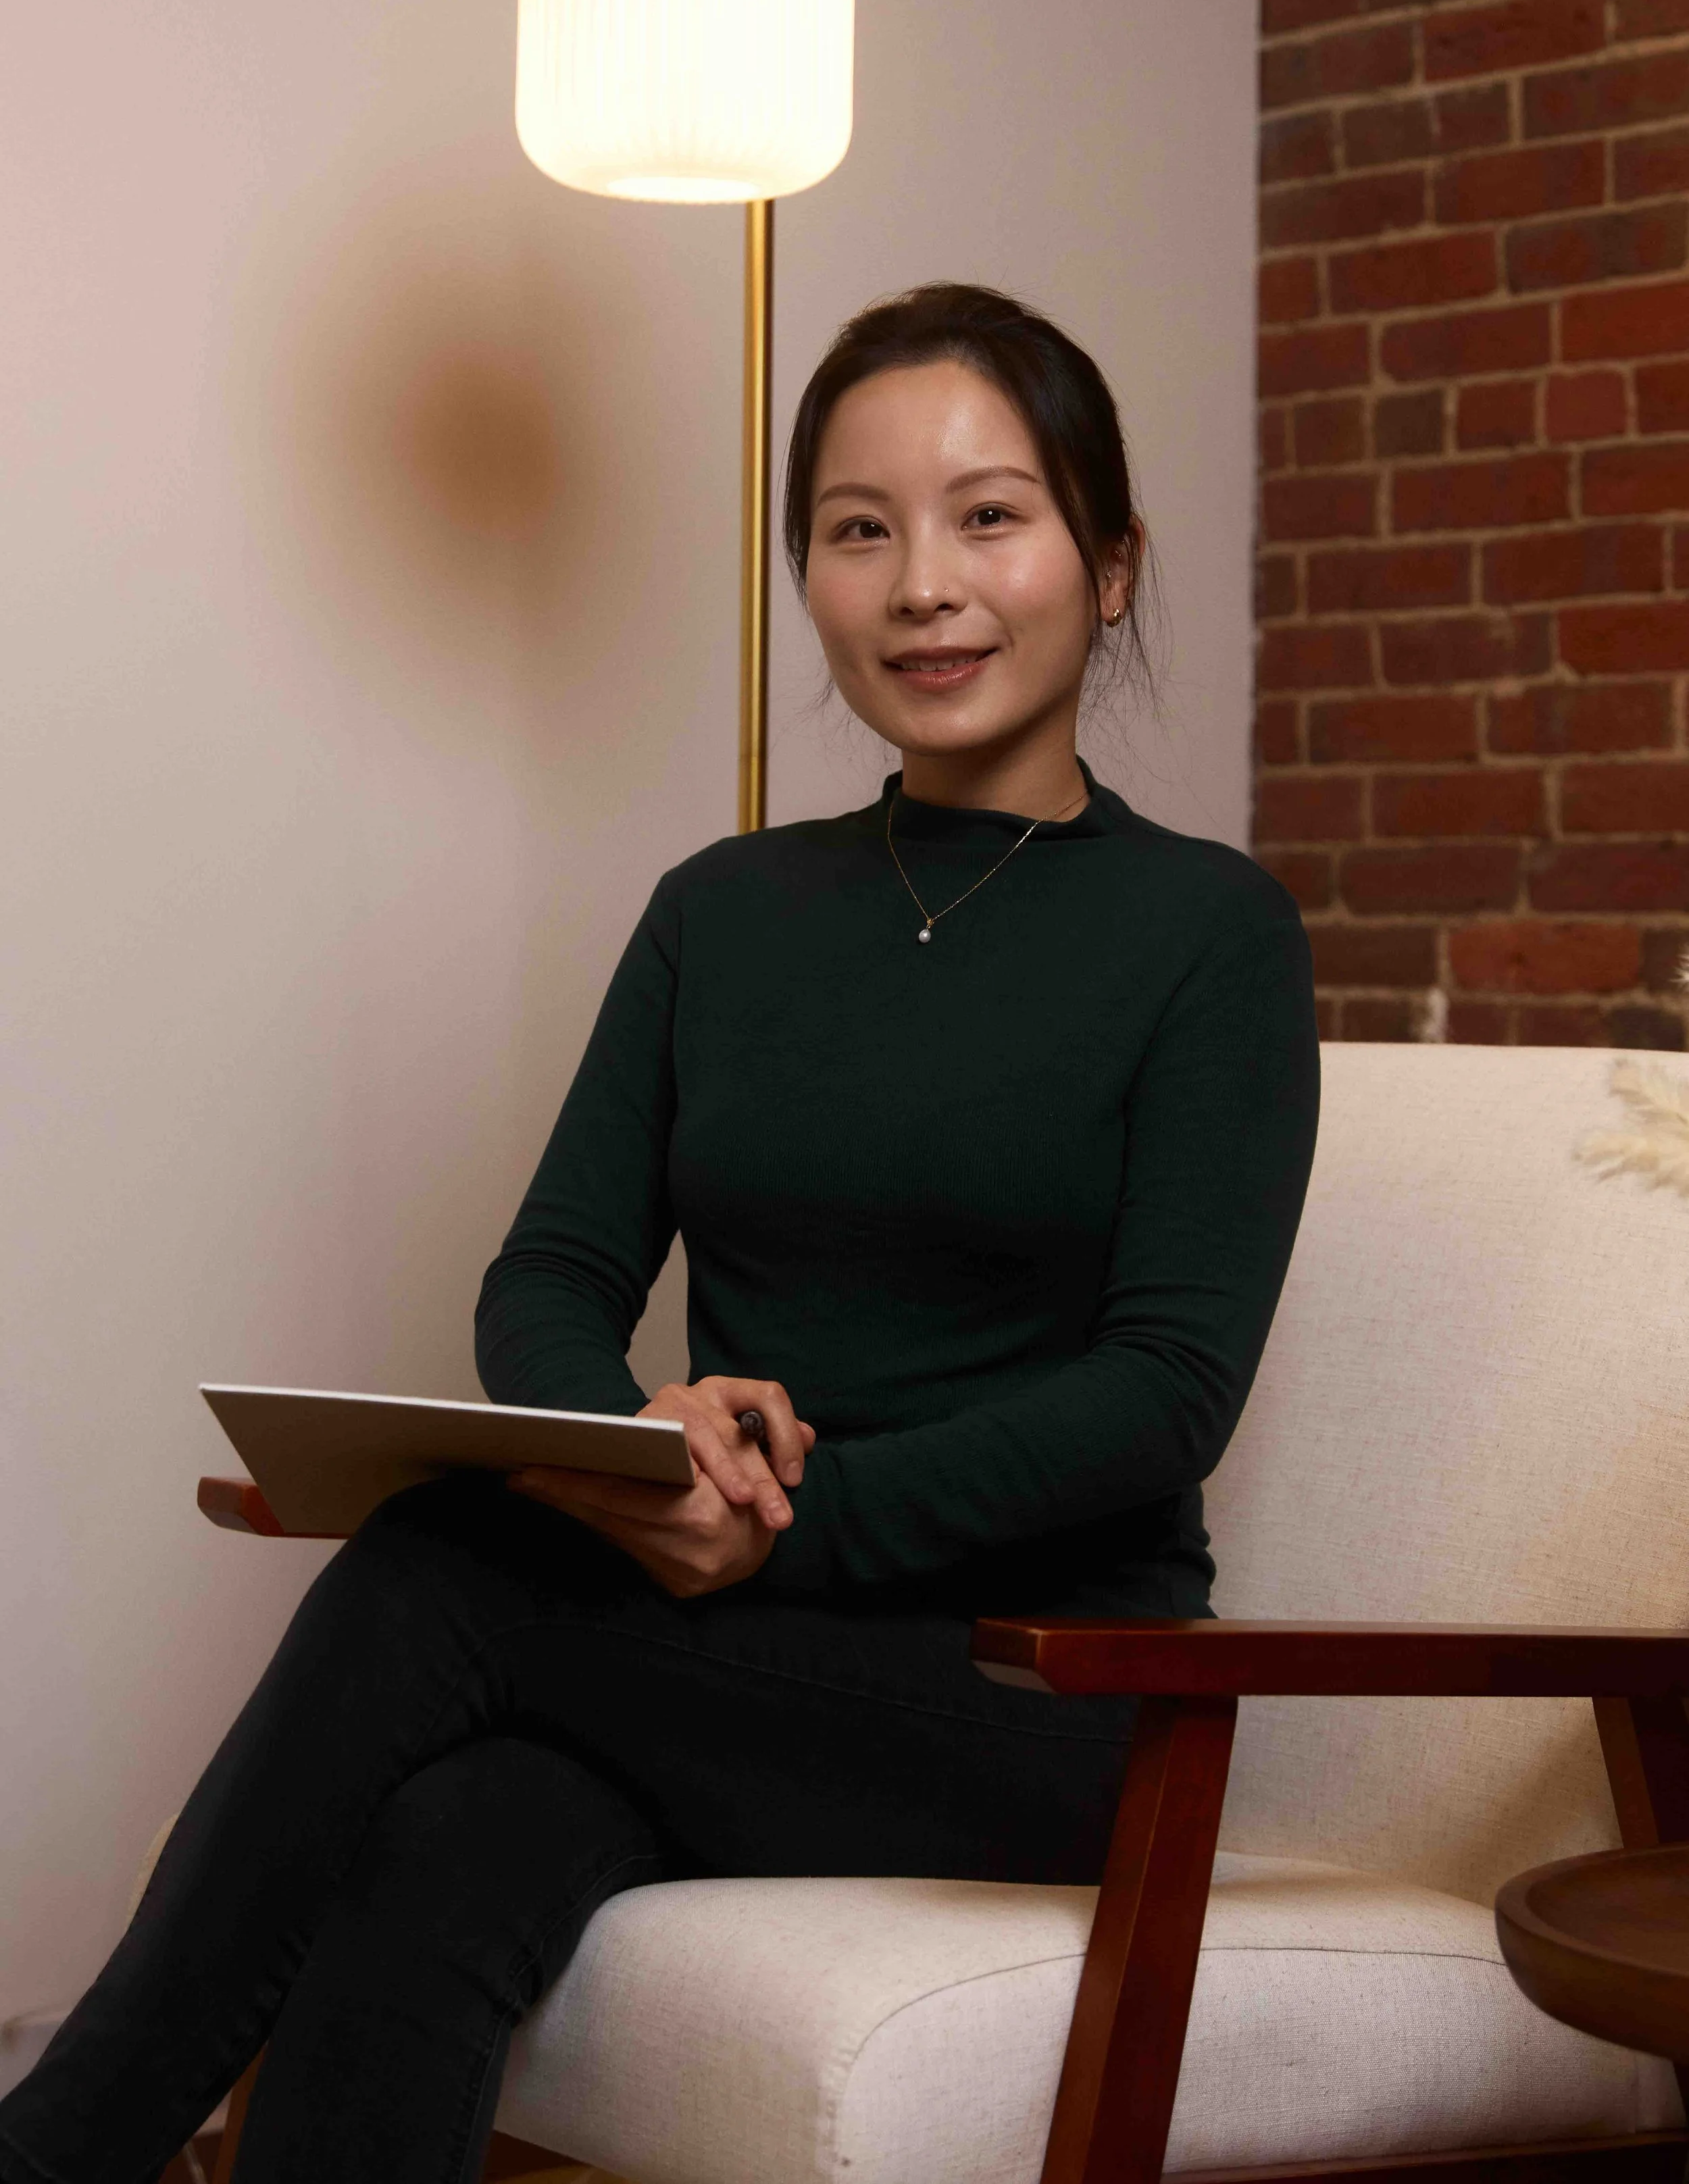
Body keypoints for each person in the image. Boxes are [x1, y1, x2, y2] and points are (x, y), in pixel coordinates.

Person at [0, 283, 1319, 2184]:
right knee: (450, 1843)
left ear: (1109, 566)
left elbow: (1161, 1391)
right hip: (711, 1634)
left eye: (989, 516)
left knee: (443, 1562)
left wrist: (776, 1521)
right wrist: (636, 1462)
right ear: (807, 578)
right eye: (858, 530)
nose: (922, 583)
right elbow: (546, 1274)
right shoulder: (722, 910)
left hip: (1039, 1688)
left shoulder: (1208, 933)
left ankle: (63, 2140)